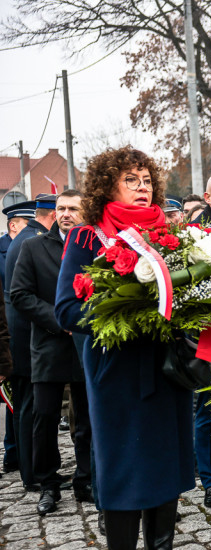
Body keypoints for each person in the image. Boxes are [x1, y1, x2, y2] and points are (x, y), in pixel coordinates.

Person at [55, 147, 205, 550]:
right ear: (106, 186)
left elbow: (191, 294)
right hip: (117, 374)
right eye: (130, 179)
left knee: (167, 467)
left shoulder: (169, 234)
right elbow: (65, 311)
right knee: (124, 474)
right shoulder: (87, 236)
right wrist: (128, 313)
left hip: (167, 370)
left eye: (146, 178)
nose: (142, 185)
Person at [11, 189, 92, 515]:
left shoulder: (92, 247)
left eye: (73, 208)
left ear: (85, 212)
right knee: (44, 417)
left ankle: (85, 478)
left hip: (85, 345)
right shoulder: (33, 247)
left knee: (86, 419)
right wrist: (61, 320)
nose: (66, 213)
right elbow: (20, 295)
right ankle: (47, 483)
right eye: (61, 208)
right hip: (47, 346)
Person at [6, 194, 53, 490]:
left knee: (26, 407)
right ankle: (32, 473)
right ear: (50, 214)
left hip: (21, 334)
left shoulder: (23, 237)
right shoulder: (32, 240)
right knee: (27, 408)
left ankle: (30, 470)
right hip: (26, 336)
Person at [1, 201, 33, 476]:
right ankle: (13, 454)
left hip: (17, 337)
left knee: (17, 402)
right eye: (28, 225)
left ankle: (14, 455)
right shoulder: (7, 249)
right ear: (14, 225)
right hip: (8, 334)